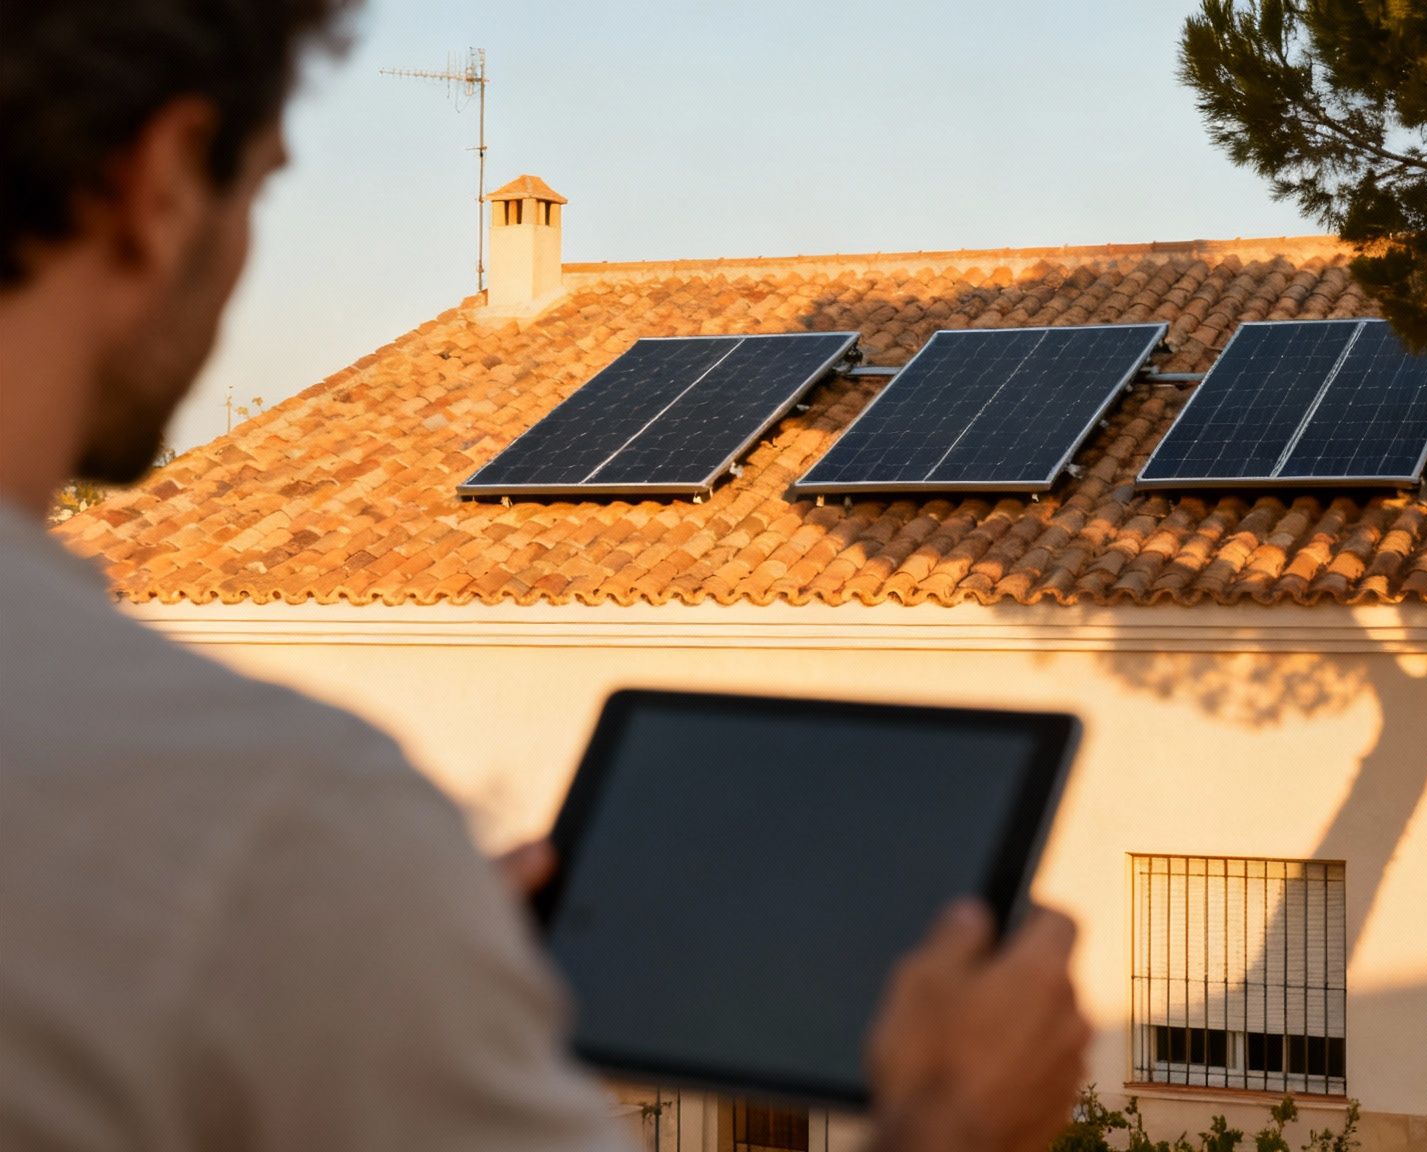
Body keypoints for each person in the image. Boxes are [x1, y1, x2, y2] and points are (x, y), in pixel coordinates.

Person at [0, 5, 1090, 1152]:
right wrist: (951, 1125)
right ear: (165, 182)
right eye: (261, 187)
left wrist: (402, 958)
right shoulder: (272, 822)